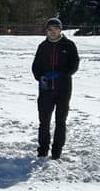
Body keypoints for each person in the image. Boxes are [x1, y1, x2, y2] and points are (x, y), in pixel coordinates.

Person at [31, 17, 79, 159]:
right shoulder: (43, 46)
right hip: (46, 91)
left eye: (55, 29)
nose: (52, 32)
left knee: (60, 120)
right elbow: (35, 67)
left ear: (60, 30)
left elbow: (74, 65)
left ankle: (57, 151)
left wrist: (60, 74)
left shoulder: (69, 45)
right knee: (44, 121)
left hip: (63, 90)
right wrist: (41, 77)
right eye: (49, 30)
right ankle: (43, 150)